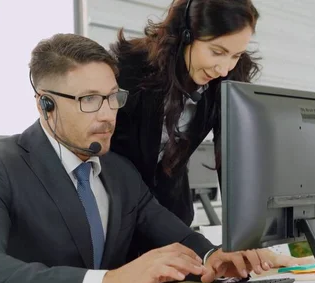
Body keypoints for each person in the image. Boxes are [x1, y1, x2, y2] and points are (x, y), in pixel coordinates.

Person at [0, 33, 308, 283]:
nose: (107, 115)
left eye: (111, 97)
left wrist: (214, 258)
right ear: (45, 104)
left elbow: (178, 237)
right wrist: (109, 282)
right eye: (88, 100)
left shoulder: (118, 171)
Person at [109, 0, 260, 229]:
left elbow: (233, 163)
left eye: (235, 55)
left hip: (173, 215)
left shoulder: (228, 79)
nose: (223, 68)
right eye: (217, 52)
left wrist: (244, 236)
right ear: (186, 35)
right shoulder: (130, 70)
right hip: (118, 214)